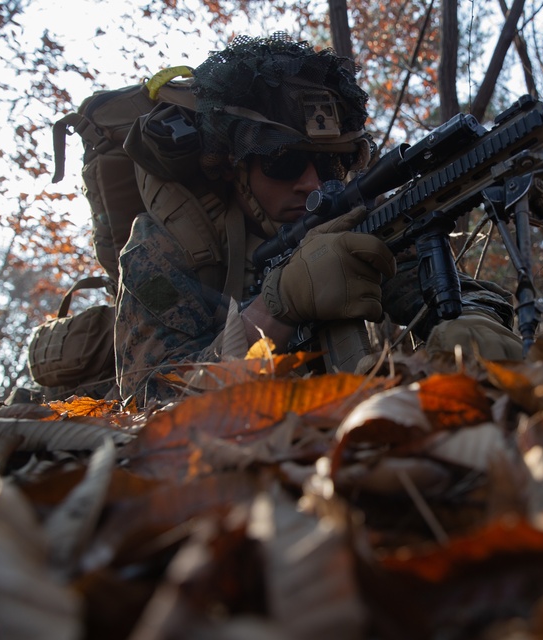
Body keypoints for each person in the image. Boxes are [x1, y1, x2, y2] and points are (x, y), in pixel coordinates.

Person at [114, 34, 522, 405]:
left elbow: (437, 283)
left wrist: (472, 320)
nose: (312, 183)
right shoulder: (168, 242)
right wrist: (277, 309)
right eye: (284, 162)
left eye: (330, 164)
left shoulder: (356, 217)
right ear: (230, 168)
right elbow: (146, 400)